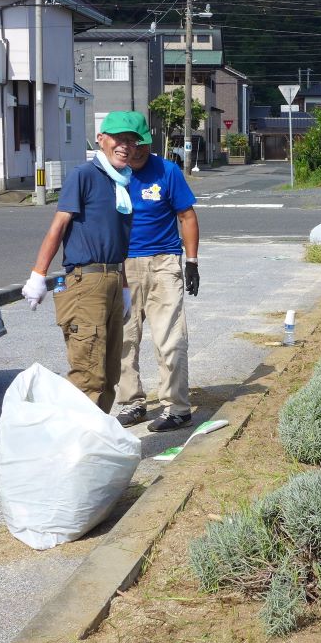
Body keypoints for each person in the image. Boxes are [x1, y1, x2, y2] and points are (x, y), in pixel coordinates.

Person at [21, 111, 150, 413]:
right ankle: (77, 441)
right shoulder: (84, 175)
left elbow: (116, 241)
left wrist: (125, 286)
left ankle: (96, 436)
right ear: (101, 139)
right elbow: (59, 226)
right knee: (89, 375)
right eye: (119, 139)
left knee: (110, 375)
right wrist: (38, 275)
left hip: (113, 279)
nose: (126, 146)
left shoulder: (121, 182)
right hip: (86, 281)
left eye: (132, 141)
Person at [113, 142, 199, 432]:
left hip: (163, 262)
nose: (136, 151)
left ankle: (177, 408)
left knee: (170, 338)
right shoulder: (113, 174)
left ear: (149, 143)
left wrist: (192, 262)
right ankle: (132, 403)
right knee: (124, 338)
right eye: (130, 144)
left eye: (141, 145)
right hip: (122, 265)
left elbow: (186, 216)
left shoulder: (167, 171)